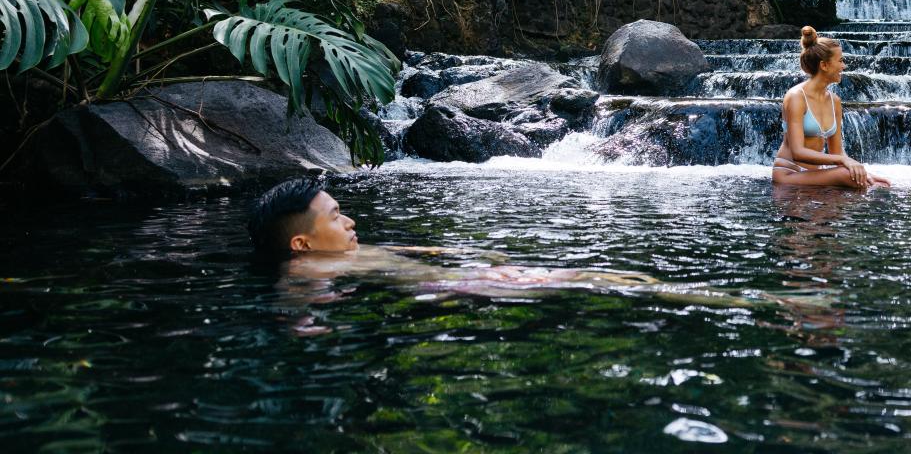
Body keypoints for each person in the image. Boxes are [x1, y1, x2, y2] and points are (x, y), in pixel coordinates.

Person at [246, 179, 825, 314]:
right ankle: (759, 302)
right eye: (337, 216)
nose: (350, 221)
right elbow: (296, 305)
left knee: (607, 277)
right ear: (301, 243)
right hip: (462, 289)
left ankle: (747, 301)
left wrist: (441, 254)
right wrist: (307, 325)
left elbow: (403, 254)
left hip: (463, 276)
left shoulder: (341, 254)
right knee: (605, 281)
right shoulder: (306, 275)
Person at [772, 26, 890, 189]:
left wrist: (863, 172)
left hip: (815, 173)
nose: (844, 66)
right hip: (789, 173)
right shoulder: (796, 97)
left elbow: (837, 152)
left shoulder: (835, 101)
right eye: (840, 61)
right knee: (850, 178)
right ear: (824, 65)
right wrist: (844, 161)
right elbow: (797, 152)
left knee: (873, 182)